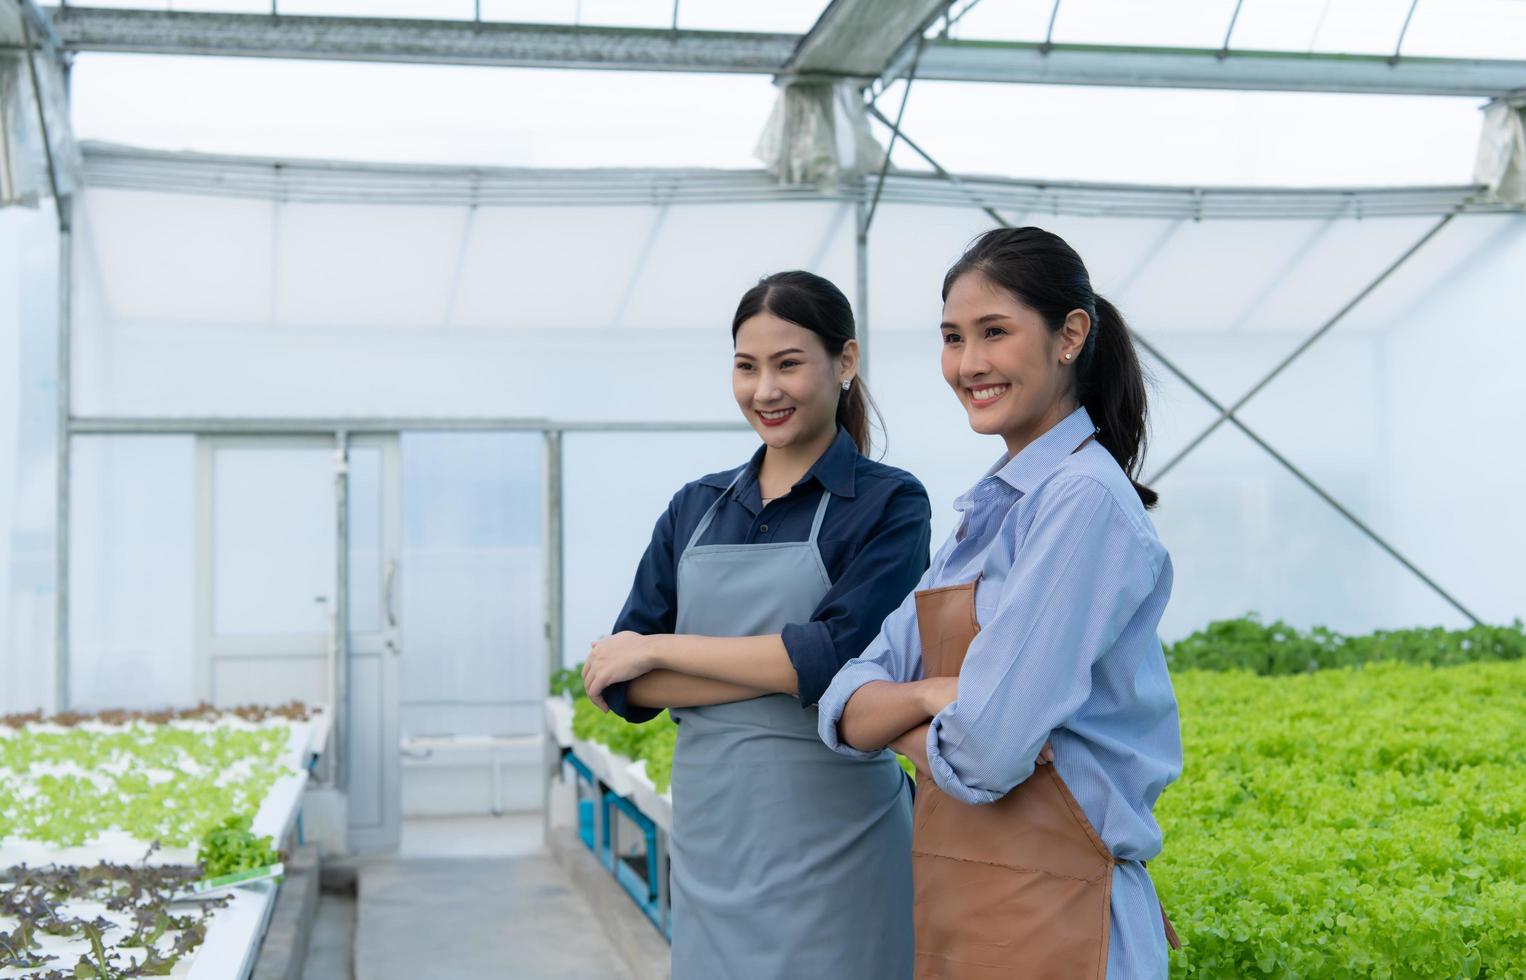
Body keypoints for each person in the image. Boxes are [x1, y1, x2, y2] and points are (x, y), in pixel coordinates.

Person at [818, 227, 1184, 979]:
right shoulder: (992, 509)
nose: (969, 363)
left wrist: (910, 721)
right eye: (953, 338)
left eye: (995, 332)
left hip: (1063, 919)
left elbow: (983, 752)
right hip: (965, 900)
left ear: (1069, 336)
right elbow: (841, 702)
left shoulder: (1081, 502)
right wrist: (932, 695)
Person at [581, 270, 930, 979]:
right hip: (714, 845)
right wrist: (777, 668)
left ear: (846, 362)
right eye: (747, 367)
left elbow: (831, 660)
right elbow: (618, 687)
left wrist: (658, 651)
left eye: (788, 364)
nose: (764, 389)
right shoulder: (695, 506)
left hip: (842, 845)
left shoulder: (889, 504)